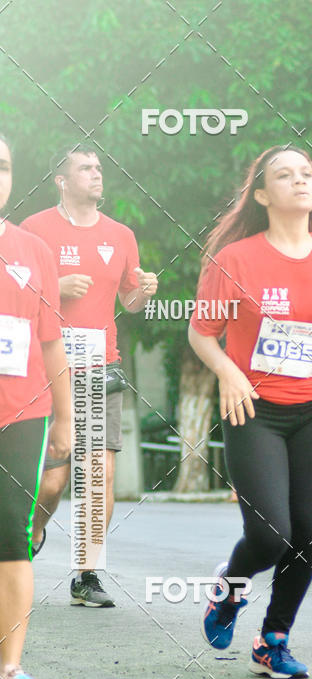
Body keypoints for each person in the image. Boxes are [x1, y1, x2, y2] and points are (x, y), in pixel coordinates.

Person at [189, 145, 312, 678]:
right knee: (270, 534)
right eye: (284, 175)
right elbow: (201, 332)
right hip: (255, 411)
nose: (300, 181)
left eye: (307, 173)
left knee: (308, 536)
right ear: (263, 194)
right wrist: (228, 371)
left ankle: (274, 639)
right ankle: (229, 591)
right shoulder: (236, 259)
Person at [20, 143, 158, 607]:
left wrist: (144, 293)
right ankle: (34, 530)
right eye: (85, 168)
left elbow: (130, 302)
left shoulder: (121, 234)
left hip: (102, 367)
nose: (97, 174)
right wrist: (53, 289)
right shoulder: (34, 230)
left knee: (98, 476)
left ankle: (87, 573)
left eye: (99, 167)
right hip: (45, 369)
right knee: (53, 482)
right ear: (62, 180)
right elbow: (12, 296)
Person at [0, 133, 70, 679]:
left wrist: (67, 422)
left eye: (1, 166)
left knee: (11, 540)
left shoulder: (34, 252)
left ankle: (9, 672)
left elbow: (51, 344)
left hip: (22, 414)